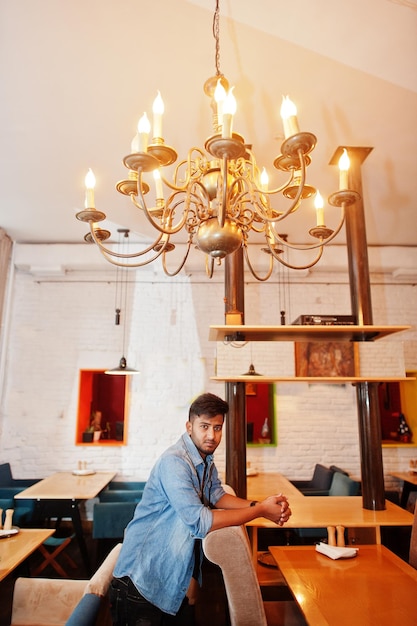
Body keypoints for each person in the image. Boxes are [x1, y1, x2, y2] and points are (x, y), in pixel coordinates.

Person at [109, 392, 292, 625]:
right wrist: (261, 512)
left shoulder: (204, 458)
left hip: (169, 578)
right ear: (189, 426)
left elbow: (217, 495)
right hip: (139, 581)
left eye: (217, 428)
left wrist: (260, 504)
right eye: (204, 426)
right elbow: (200, 521)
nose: (211, 435)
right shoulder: (175, 462)